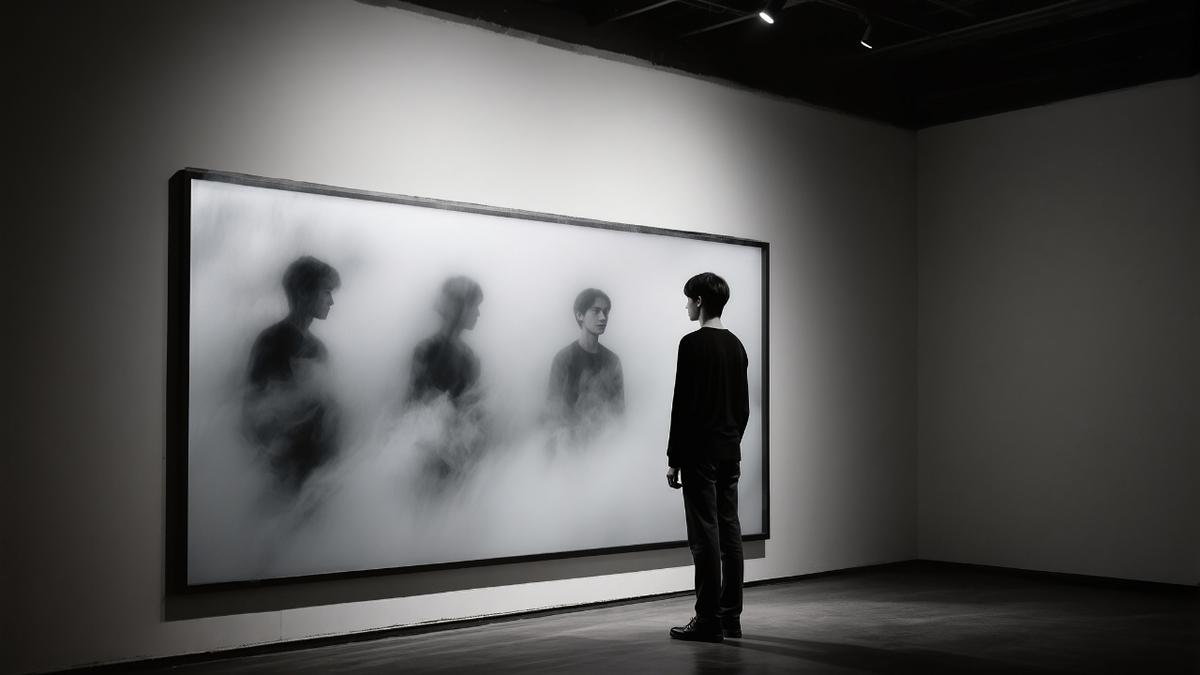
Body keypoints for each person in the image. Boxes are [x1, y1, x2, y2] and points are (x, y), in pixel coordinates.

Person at [665, 272, 749, 643]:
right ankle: (731, 618)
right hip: (729, 450)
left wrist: (674, 457)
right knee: (730, 531)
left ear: (699, 301)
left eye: (688, 299)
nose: (686, 305)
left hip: (699, 453)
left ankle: (708, 620)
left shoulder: (691, 344)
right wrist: (731, 440)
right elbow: (743, 408)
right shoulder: (736, 346)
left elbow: (682, 406)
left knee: (704, 536)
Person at [242, 255, 342, 492]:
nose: (331, 301)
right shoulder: (271, 342)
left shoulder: (318, 349)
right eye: (326, 292)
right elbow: (254, 410)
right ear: (304, 293)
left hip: (318, 472)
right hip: (283, 472)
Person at [405, 275, 487, 489]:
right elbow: (415, 406)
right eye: (475, 306)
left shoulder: (470, 356)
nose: (478, 313)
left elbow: (474, 408)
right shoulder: (428, 350)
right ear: (459, 307)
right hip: (431, 455)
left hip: (462, 453)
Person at [545, 288, 625, 442]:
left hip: (606, 444)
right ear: (579, 315)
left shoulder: (612, 360)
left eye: (606, 312)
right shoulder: (564, 359)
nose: (603, 317)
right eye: (596, 311)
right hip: (569, 444)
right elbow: (552, 412)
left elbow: (619, 412)